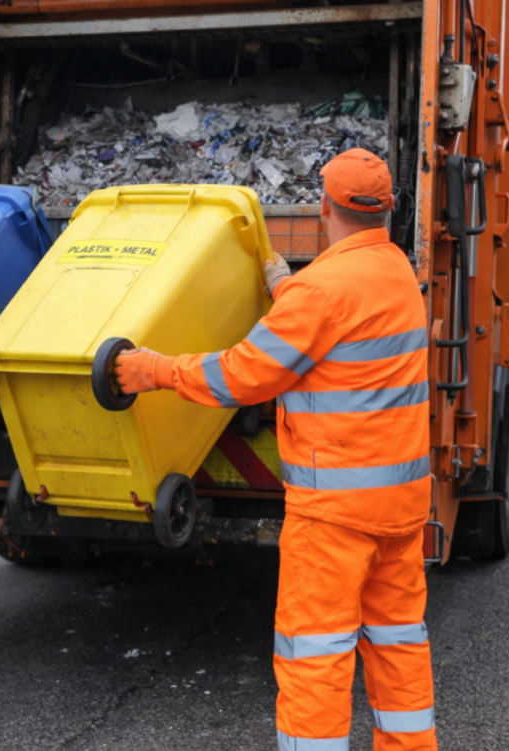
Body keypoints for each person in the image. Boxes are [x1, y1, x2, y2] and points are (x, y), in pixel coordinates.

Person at [113, 149, 436, 751]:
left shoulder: (321, 293)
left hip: (334, 516)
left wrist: (155, 370)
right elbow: (339, 321)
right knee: (399, 645)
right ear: (387, 209)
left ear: (323, 208)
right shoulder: (398, 273)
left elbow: (240, 376)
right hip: (400, 510)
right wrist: (285, 285)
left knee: (315, 656)